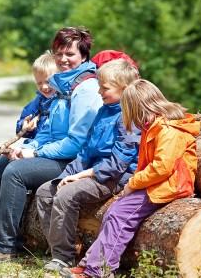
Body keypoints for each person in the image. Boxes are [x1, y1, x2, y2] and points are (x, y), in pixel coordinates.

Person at [0, 26, 103, 266]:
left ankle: (4, 245)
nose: (63, 59)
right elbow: (51, 131)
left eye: (70, 54)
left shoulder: (85, 89)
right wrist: (25, 146)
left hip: (75, 162)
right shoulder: (62, 84)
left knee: (15, 172)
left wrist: (34, 153)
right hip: (56, 152)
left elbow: (76, 143)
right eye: (59, 53)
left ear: (83, 55)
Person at [61, 79, 201, 278]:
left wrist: (132, 184)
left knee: (120, 215)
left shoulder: (169, 130)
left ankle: (98, 271)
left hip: (171, 185)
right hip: (157, 183)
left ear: (138, 107)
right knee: (113, 212)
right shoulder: (153, 126)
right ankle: (89, 263)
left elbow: (161, 168)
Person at [36, 58, 141, 272]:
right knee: (46, 191)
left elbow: (118, 163)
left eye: (104, 87)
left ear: (124, 89)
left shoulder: (130, 116)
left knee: (67, 194)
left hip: (113, 177)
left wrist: (81, 176)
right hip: (91, 170)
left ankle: (62, 258)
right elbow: (85, 151)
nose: (99, 91)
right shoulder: (104, 110)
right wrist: (67, 174)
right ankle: (64, 248)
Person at [16, 50, 57, 144]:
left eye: (48, 82)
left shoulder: (63, 100)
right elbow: (24, 118)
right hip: (33, 143)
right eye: (39, 83)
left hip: (49, 146)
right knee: (1, 159)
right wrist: (24, 125)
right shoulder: (39, 101)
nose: (44, 87)